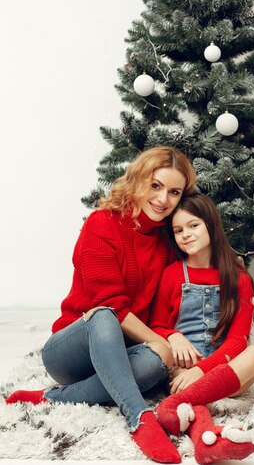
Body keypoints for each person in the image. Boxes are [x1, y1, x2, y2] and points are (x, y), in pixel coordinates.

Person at [6, 146, 197, 464]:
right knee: (105, 314)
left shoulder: (167, 242)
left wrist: (167, 339)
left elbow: (164, 307)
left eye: (174, 192)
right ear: (138, 180)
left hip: (121, 355)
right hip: (72, 352)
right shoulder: (101, 224)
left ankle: (52, 398)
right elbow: (112, 306)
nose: (163, 199)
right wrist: (157, 340)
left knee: (158, 358)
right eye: (156, 185)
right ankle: (139, 418)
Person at [149, 192, 254, 464]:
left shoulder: (238, 278)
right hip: (181, 368)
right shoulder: (172, 274)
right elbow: (155, 325)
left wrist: (201, 370)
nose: (185, 235)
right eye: (178, 230)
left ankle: (175, 404)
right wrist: (174, 335)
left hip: (220, 369)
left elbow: (239, 340)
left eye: (193, 225)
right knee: (187, 386)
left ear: (210, 225)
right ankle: (207, 442)